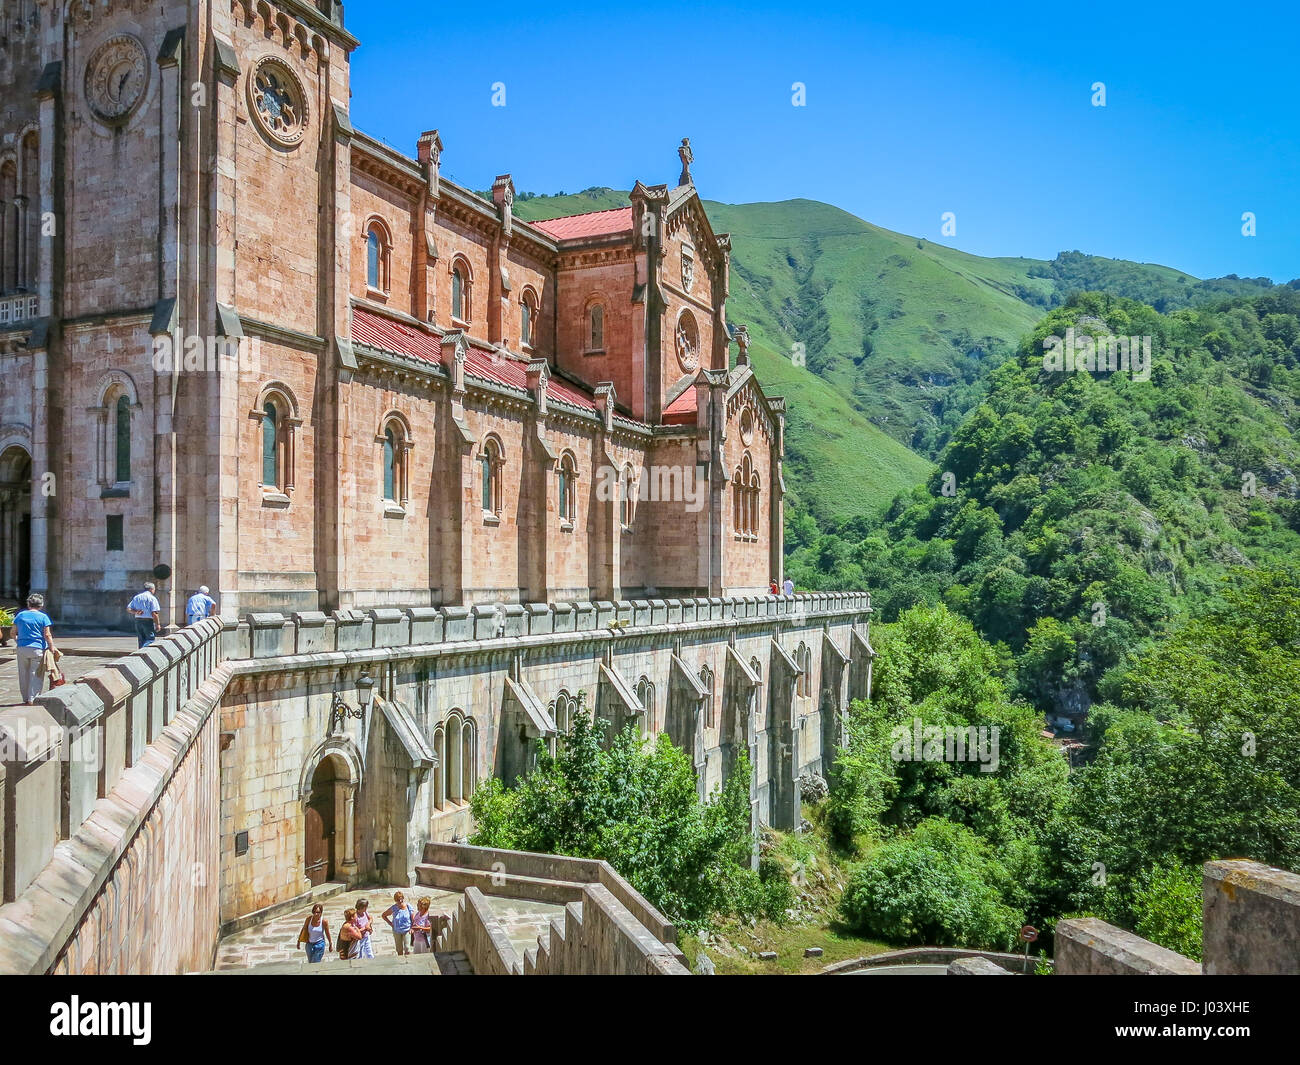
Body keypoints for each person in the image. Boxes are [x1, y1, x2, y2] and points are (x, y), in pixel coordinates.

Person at [13, 593, 58, 704]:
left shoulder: (21, 615)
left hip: (22, 648)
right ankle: (32, 698)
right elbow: (47, 635)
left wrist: (17, 640)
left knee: (23, 673)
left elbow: (13, 632)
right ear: (41, 605)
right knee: (36, 674)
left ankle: (25, 698)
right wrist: (51, 648)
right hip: (38, 648)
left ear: (29, 604)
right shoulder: (43, 617)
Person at [127, 581, 162, 647]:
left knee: (141, 639)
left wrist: (136, 612)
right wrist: (158, 624)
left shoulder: (137, 597)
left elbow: (128, 609)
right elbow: (154, 613)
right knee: (150, 639)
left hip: (138, 620)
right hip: (148, 621)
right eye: (154, 589)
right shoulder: (152, 598)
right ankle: (144, 652)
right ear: (151, 589)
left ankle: (140, 655)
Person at [382, 891, 415, 956]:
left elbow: (413, 918)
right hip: (397, 931)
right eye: (398, 900)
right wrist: (391, 924)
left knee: (407, 949)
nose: (400, 901)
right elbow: (384, 915)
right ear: (395, 900)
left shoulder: (408, 906)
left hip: (407, 930)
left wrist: (412, 928)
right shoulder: (394, 908)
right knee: (399, 950)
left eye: (401, 899)